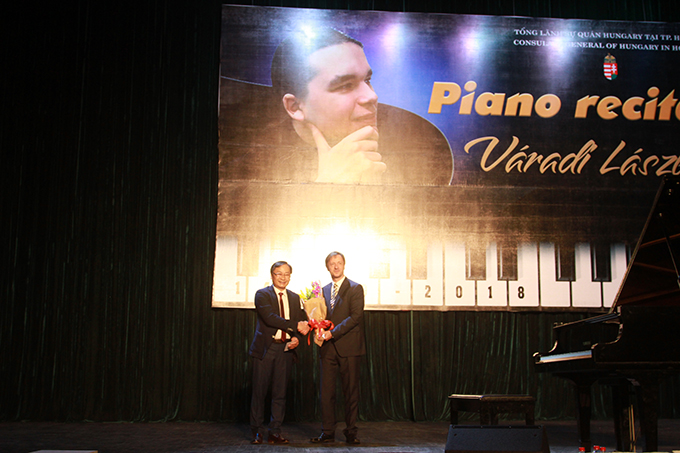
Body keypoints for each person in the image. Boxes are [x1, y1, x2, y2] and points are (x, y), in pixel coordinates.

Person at [218, 27, 453, 185]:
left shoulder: (417, 151)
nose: (371, 96)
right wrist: (328, 188)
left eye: (367, 80)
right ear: (295, 107)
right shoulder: (242, 176)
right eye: (344, 86)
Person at [249, 261, 310, 444]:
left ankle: (274, 431)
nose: (283, 277)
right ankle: (257, 431)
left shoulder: (294, 297)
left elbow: (298, 326)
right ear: (272, 275)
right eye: (279, 274)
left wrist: (296, 338)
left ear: (290, 276)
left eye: (286, 274)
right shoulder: (262, 294)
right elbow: (270, 318)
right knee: (259, 392)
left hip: (285, 350)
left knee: (280, 393)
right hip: (266, 349)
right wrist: (295, 326)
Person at [311, 251, 365, 445]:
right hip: (327, 349)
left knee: (350, 393)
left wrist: (332, 333)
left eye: (339, 263)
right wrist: (316, 328)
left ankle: (351, 432)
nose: (336, 266)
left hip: (349, 348)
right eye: (332, 263)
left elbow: (355, 317)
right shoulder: (322, 291)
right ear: (327, 267)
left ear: (344, 265)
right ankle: (327, 432)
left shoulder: (355, 288)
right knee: (326, 393)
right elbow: (319, 317)